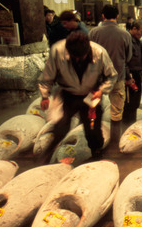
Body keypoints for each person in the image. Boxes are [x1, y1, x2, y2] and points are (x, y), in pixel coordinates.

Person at [38, 31, 117, 162]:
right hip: (68, 95)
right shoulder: (57, 50)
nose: (78, 60)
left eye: (81, 56)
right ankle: (48, 154)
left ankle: (96, 152)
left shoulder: (100, 52)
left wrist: (102, 90)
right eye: (74, 57)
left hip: (91, 96)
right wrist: (45, 96)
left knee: (92, 129)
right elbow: (47, 76)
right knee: (60, 126)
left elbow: (112, 75)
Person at [89, 4, 133, 148]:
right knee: (116, 111)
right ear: (117, 16)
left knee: (94, 109)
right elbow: (128, 57)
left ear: (102, 16)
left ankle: (96, 140)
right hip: (117, 78)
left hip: (97, 80)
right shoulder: (125, 34)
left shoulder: (93, 33)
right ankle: (115, 142)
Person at [123, 20, 142, 127]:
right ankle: (127, 126)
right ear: (134, 29)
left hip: (137, 74)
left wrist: (141, 73)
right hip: (130, 76)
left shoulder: (137, 41)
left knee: (135, 102)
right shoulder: (128, 41)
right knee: (129, 103)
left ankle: (131, 124)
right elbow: (124, 61)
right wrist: (128, 77)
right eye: (141, 31)